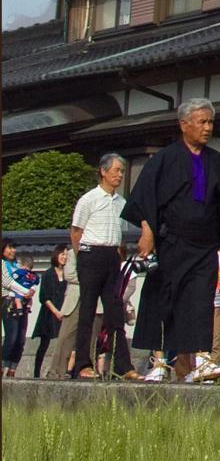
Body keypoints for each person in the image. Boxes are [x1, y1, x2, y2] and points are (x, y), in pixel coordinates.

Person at [121, 100, 220, 384]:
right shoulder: (163, 159)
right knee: (163, 298)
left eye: (210, 122)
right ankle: (158, 363)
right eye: (202, 122)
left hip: (205, 244)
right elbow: (144, 199)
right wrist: (147, 230)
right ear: (184, 124)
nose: (207, 128)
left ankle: (200, 361)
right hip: (171, 241)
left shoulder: (217, 161)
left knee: (200, 301)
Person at [69, 153, 142, 382]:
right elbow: (76, 232)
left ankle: (123, 365)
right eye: (117, 170)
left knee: (115, 313)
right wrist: (83, 257)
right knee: (87, 312)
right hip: (91, 254)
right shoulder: (89, 199)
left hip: (112, 257)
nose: (120, 174)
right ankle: (82, 364)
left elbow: (121, 237)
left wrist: (119, 259)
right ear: (103, 171)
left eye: (122, 171)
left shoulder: (121, 203)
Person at [31, 246, 70, 378]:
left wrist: (63, 311)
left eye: (66, 255)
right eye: (62, 254)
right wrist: (56, 312)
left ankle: (62, 371)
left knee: (65, 342)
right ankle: (36, 372)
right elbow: (44, 297)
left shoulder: (68, 274)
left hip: (64, 311)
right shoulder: (48, 274)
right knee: (44, 344)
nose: (64, 257)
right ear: (56, 255)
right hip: (49, 313)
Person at [3, 243, 36, 376]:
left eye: (14, 248)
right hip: (8, 301)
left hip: (23, 301)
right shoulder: (3, 264)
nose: (13, 251)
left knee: (21, 338)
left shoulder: (18, 265)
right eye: (9, 247)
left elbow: (30, 280)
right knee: (12, 336)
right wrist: (26, 291)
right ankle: (2, 365)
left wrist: (31, 291)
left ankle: (12, 369)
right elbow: (7, 282)